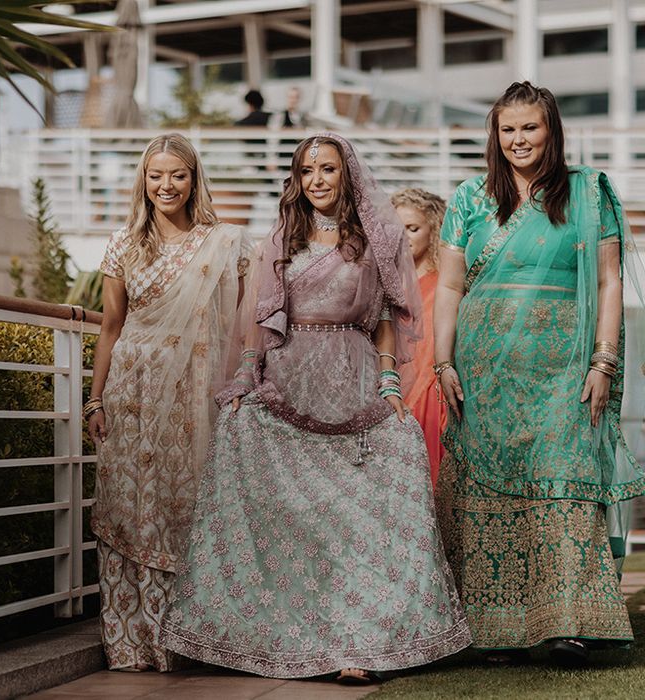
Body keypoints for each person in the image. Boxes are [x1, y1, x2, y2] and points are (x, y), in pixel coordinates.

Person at [160, 133, 471, 683]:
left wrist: (390, 383)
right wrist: (244, 377)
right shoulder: (281, 238)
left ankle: (363, 638)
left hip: (352, 377)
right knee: (273, 491)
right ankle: (276, 633)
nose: (318, 180)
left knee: (360, 510)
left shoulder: (375, 238)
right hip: (288, 376)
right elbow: (259, 317)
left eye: (327, 169)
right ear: (297, 180)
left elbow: (383, 320)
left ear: (346, 174)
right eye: (307, 171)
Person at [433, 81, 645, 666]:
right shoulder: (471, 198)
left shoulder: (585, 193)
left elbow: (607, 280)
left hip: (563, 369)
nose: (518, 140)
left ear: (551, 131)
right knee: (483, 491)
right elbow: (450, 286)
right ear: (494, 135)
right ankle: (487, 628)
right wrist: (442, 361)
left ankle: (570, 622)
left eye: (530, 128)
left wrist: (603, 359)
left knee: (563, 482)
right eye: (508, 129)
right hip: (483, 367)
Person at [87, 133, 251, 672]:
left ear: (193, 179)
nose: (166, 186)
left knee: (183, 504)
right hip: (131, 391)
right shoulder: (123, 245)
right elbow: (111, 327)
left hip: (192, 394)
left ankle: (186, 639)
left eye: (177, 175)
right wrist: (95, 401)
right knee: (127, 504)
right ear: (143, 181)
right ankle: (133, 641)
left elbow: (251, 317)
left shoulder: (223, 244)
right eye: (156, 176)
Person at [391, 188, 448, 487]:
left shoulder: (443, 286)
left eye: (412, 228)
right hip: (390, 391)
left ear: (433, 229)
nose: (404, 237)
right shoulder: (387, 285)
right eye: (397, 229)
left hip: (428, 398)